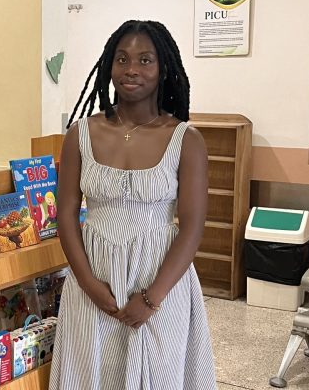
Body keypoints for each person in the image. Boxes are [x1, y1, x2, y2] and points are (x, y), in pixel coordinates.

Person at [49, 20, 216, 390]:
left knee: (158, 375)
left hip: (160, 276)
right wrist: (89, 284)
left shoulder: (186, 140)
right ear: (110, 64)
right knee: (90, 372)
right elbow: (65, 214)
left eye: (145, 60)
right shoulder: (80, 134)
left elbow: (191, 227)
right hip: (92, 272)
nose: (132, 70)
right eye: (122, 59)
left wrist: (152, 298)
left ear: (163, 69)